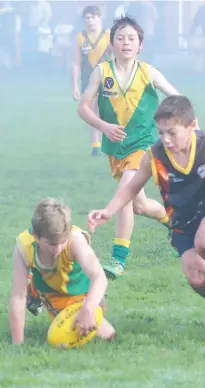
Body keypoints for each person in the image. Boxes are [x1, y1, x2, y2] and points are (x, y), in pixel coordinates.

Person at [78, 15, 181, 279]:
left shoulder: (149, 72)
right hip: (116, 149)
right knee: (139, 205)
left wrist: (190, 124)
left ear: (140, 45)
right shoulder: (102, 72)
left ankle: (118, 259)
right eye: (120, 38)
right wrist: (103, 127)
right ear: (111, 43)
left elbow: (176, 96)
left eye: (131, 38)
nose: (126, 43)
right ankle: (175, 223)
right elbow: (83, 106)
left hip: (145, 145)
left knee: (125, 190)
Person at [87, 95, 205, 300]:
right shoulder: (155, 154)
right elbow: (131, 187)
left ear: (192, 126)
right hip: (183, 223)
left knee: (202, 242)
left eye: (172, 133)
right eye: (160, 132)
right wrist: (108, 211)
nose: (165, 139)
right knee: (196, 277)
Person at [9, 198, 115, 345]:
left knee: (108, 337)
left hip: (85, 291)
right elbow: (18, 297)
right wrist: (17, 344)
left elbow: (99, 277)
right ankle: (34, 289)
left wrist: (89, 307)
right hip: (54, 293)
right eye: (52, 244)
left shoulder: (75, 239)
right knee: (83, 337)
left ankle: (34, 287)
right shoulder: (24, 246)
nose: (58, 249)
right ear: (35, 234)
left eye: (62, 242)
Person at [72, 5, 110, 156]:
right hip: (88, 80)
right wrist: (74, 85)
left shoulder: (108, 35)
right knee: (93, 112)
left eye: (93, 17)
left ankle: (117, 141)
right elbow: (76, 62)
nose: (90, 21)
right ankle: (96, 146)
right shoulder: (81, 37)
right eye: (87, 18)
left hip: (108, 79)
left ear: (100, 18)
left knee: (110, 111)